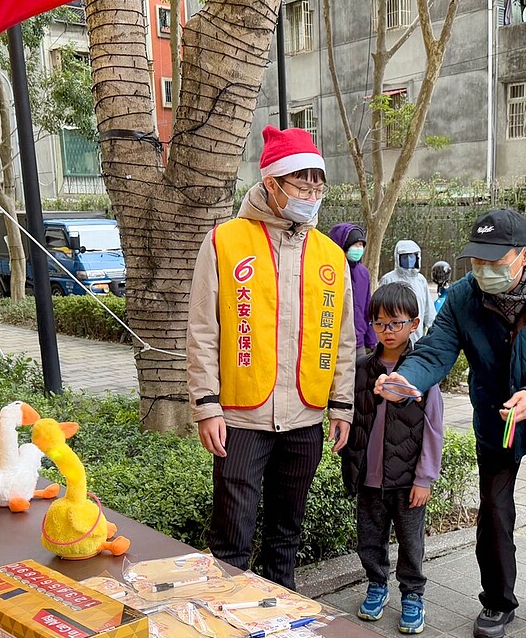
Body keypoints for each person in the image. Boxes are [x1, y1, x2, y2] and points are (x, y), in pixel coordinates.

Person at [375, 208, 526, 638]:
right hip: (496, 421)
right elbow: (436, 351)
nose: (484, 271)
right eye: (477, 261)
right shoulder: (463, 296)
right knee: (495, 513)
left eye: (495, 262)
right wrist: (410, 378)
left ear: (525, 255)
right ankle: (497, 601)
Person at [187, 125, 355, 590]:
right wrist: (206, 406)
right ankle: (225, 627)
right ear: (271, 185)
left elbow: (342, 338)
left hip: (304, 418)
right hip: (241, 419)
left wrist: (342, 407)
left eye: (318, 184)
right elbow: (203, 329)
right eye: (302, 184)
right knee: (231, 541)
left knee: (286, 537)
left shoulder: (330, 255)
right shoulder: (225, 241)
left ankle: (282, 628)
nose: (312, 194)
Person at [341, 283, 445, 635]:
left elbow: (434, 428)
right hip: (368, 478)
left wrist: (424, 478)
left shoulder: (423, 374)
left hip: (407, 481)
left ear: (414, 324)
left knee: (410, 541)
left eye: (396, 323)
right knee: (369, 537)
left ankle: (413, 594)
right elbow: (351, 418)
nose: (387, 330)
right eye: (380, 323)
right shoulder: (360, 369)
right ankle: (376, 584)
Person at [330, 223, 377, 359]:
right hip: (334, 341)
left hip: (358, 342)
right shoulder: (330, 272)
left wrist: (371, 338)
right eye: (355, 245)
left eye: (361, 245)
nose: (359, 249)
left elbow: (367, 307)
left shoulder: (363, 273)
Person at [380, 239, 436, 340]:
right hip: (394, 336)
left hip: (417, 338)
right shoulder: (388, 279)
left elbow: (429, 311)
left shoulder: (421, 280)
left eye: (412, 256)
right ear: (398, 258)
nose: (409, 259)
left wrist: (435, 333)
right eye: (405, 256)